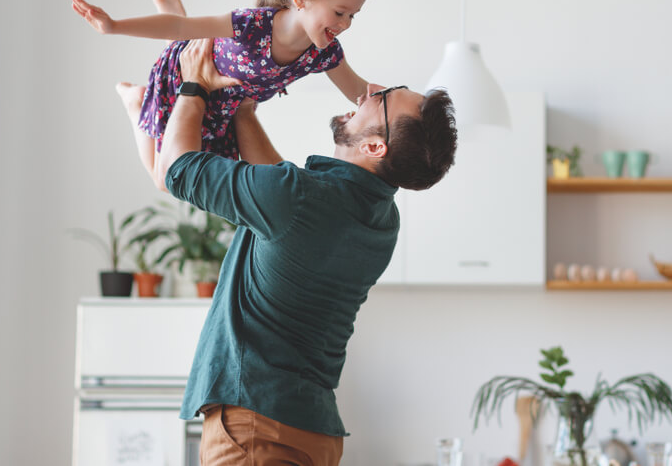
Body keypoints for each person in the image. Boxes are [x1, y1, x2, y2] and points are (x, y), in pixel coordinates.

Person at [158, 36, 457, 465]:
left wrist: (194, 86)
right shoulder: (380, 220)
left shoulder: (298, 198)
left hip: (255, 429)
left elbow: (176, 167)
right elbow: (281, 200)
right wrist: (243, 110)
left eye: (385, 98)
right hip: (312, 433)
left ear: (375, 146)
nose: (371, 90)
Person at [71, 0, 377, 189]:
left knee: (190, 176)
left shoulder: (323, 53)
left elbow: (361, 91)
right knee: (166, 181)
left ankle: (178, 21)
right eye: (339, 13)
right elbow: (178, 28)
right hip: (185, 81)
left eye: (353, 15)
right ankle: (135, 102)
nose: (346, 24)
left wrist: (419, 104)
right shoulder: (252, 25)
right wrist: (113, 25)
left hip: (223, 109)